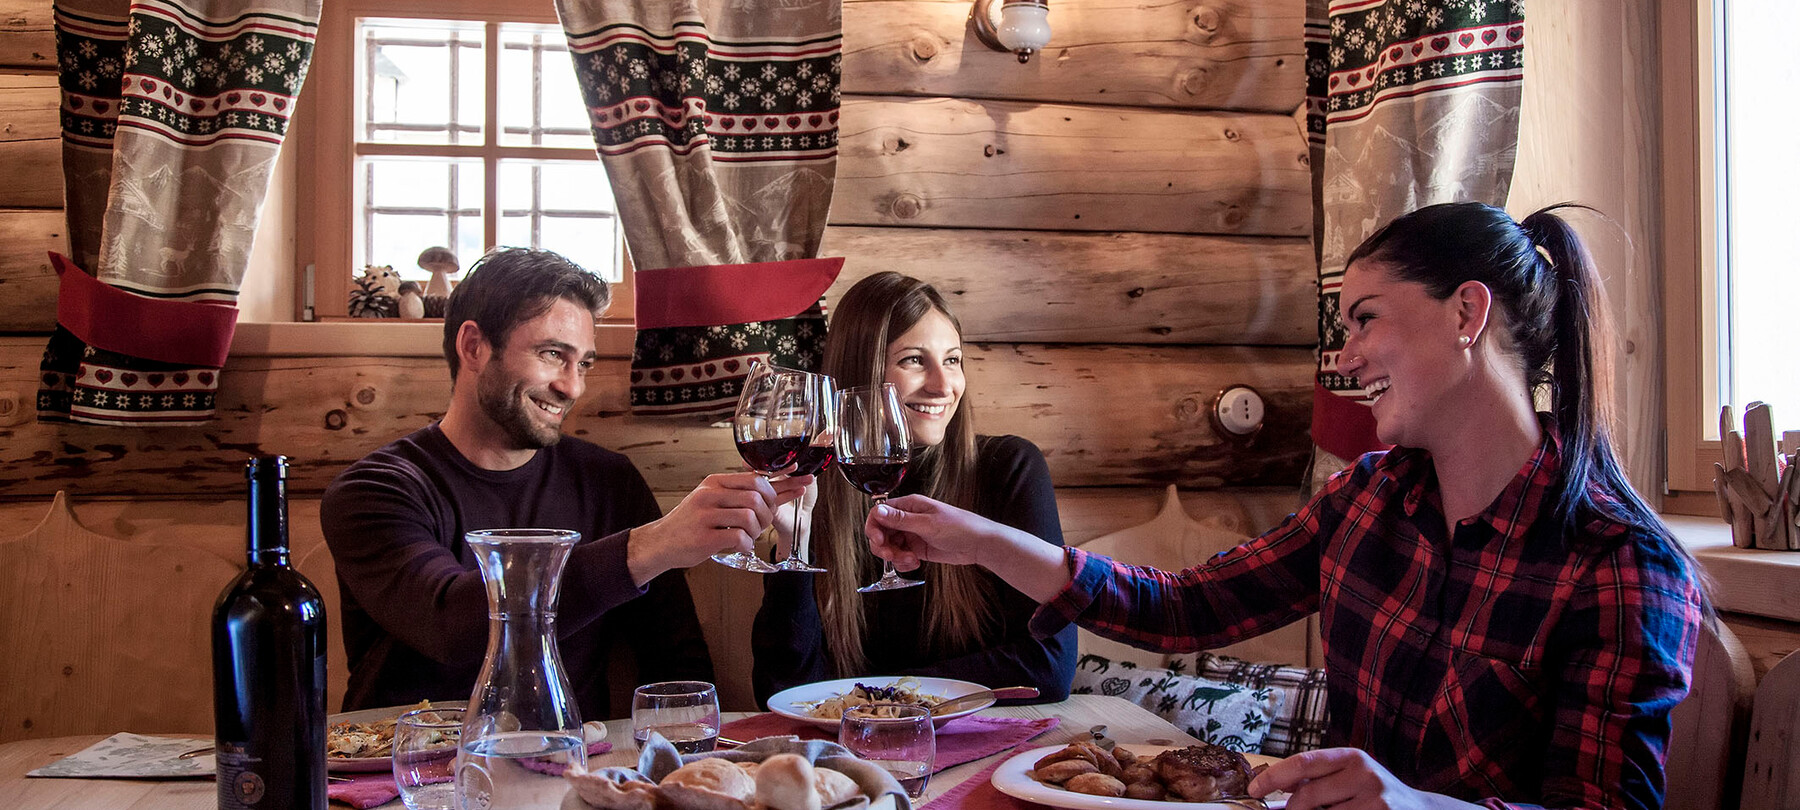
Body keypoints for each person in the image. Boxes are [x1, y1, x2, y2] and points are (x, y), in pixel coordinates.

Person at [860, 204, 1709, 810]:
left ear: (1467, 312)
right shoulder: (1369, 500)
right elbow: (1188, 608)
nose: (1344, 357)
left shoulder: (1619, 563)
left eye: (1365, 318)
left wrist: (1415, 805)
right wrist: (983, 543)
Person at [321, 248, 809, 720]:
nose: (572, 386)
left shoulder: (608, 482)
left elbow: (675, 661)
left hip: (572, 771)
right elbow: (450, 624)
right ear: (473, 346)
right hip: (404, 781)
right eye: (553, 354)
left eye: (585, 363)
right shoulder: (375, 491)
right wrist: (650, 545)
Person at [751, 271, 1076, 704]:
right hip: (862, 756)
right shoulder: (817, 483)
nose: (944, 386)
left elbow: (1047, 667)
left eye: (953, 360)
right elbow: (781, 692)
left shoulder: (1009, 468)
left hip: (992, 743)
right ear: (859, 373)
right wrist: (794, 546)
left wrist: (877, 695)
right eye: (914, 360)